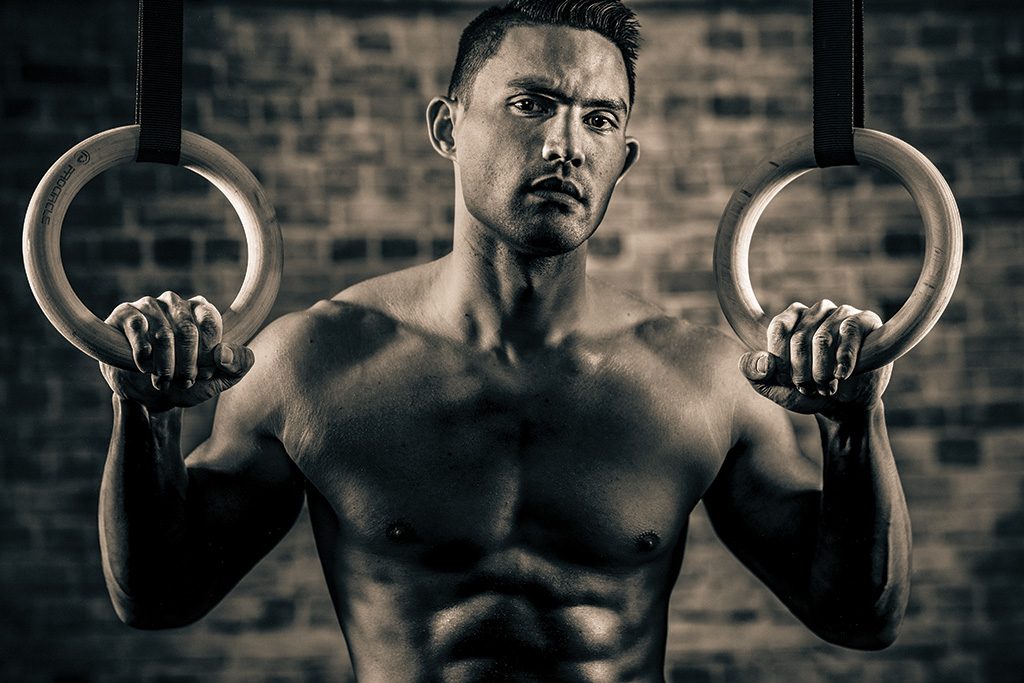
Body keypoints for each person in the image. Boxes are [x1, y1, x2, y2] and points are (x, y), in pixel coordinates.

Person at [98, 0, 911, 680]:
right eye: (532, 105)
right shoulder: (311, 362)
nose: (566, 144)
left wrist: (852, 426)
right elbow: (157, 597)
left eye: (598, 119)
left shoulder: (699, 378)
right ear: (447, 128)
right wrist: (144, 415)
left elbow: (861, 615)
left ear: (621, 159)